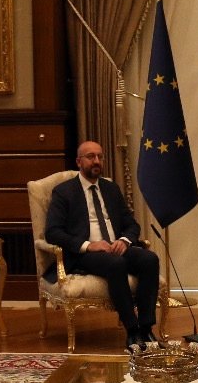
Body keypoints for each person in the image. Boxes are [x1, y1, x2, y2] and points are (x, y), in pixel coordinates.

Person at [43, 141, 161, 350]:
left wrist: (124, 241)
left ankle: (146, 328)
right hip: (85, 253)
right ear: (79, 161)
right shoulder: (64, 192)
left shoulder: (111, 189)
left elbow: (131, 224)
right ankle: (132, 330)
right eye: (90, 156)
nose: (96, 161)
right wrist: (88, 245)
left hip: (116, 248)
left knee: (149, 260)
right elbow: (53, 232)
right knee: (115, 265)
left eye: (100, 156)